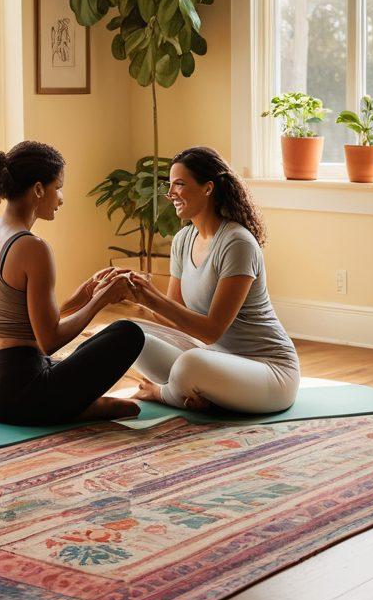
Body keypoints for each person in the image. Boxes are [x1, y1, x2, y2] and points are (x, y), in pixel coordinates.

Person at [0, 140, 144, 425]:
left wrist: (80, 299)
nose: (61, 198)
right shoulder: (33, 247)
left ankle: (69, 405)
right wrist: (101, 300)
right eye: (58, 187)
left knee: (56, 363)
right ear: (39, 189)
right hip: (10, 393)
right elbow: (49, 341)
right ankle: (73, 407)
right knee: (128, 333)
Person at [127, 146, 300, 414]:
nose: (171, 193)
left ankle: (164, 393)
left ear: (208, 189)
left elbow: (211, 331)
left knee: (191, 364)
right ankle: (202, 395)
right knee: (129, 335)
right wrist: (134, 295)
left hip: (269, 371)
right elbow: (174, 320)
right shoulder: (184, 239)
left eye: (180, 184)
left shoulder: (237, 243)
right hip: (217, 361)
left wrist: (150, 295)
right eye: (170, 185)